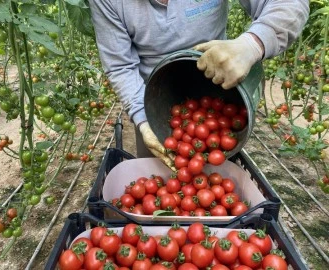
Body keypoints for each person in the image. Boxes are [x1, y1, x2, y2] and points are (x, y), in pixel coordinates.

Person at [88, 0, 309, 169]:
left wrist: (252, 44)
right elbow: (120, 66)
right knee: (159, 184)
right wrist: (143, 120)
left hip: (221, 96)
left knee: (220, 187)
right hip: (154, 106)